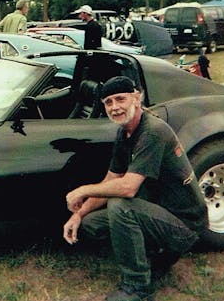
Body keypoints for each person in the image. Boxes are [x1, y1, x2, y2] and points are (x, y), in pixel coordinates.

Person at [63, 76, 208, 301]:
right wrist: (79, 214)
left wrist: (82, 190)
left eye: (120, 99)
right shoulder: (125, 131)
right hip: (159, 213)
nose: (115, 107)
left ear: (137, 98)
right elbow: (111, 180)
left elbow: (128, 188)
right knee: (91, 223)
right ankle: (155, 258)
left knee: (121, 206)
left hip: (185, 225)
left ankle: (138, 287)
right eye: (108, 102)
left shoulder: (152, 131)